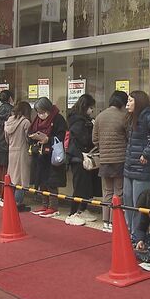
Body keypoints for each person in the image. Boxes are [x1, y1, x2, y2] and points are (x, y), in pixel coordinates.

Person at [123, 90, 150, 235]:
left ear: (138, 102)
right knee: (128, 201)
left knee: (139, 204)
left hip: (143, 168)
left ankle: (138, 236)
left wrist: (146, 153)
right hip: (129, 167)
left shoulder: (149, 117)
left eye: (130, 101)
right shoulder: (130, 117)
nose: (127, 104)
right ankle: (129, 233)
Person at [93, 91, 128, 233]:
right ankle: (115, 221)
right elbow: (129, 137)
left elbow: (94, 140)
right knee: (118, 192)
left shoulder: (100, 116)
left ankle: (106, 222)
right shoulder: (124, 116)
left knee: (107, 191)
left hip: (105, 159)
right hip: (120, 159)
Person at [28, 97, 67, 218]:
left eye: (43, 112)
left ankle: (53, 207)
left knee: (52, 182)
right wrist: (34, 137)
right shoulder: (36, 120)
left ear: (49, 109)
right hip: (40, 155)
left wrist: (47, 139)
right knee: (41, 181)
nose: (41, 115)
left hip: (52, 155)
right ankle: (44, 204)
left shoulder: (58, 118)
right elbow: (30, 132)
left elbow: (62, 136)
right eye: (38, 113)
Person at [65, 94, 98, 226]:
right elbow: (84, 139)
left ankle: (82, 210)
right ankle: (72, 213)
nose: (92, 111)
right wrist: (93, 128)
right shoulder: (79, 121)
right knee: (79, 187)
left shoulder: (79, 119)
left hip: (80, 156)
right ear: (85, 107)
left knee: (85, 186)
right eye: (91, 108)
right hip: (78, 157)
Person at [3, 101, 32, 212]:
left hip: (11, 151)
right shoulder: (25, 122)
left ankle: (10, 202)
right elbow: (28, 138)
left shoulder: (9, 122)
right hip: (22, 151)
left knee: (13, 178)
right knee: (21, 179)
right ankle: (17, 203)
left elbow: (6, 138)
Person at [0, 90, 14, 199]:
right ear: (10, 98)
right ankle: (6, 194)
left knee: (0, 170)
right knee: (7, 170)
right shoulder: (12, 112)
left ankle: (0, 192)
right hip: (8, 144)